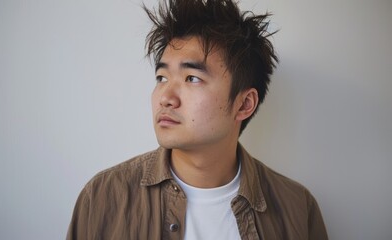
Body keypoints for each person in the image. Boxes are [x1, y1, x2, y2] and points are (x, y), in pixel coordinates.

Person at [66, 0, 328, 239]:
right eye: (162, 78)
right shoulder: (104, 197)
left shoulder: (297, 208)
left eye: (192, 78)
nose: (165, 97)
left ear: (244, 104)